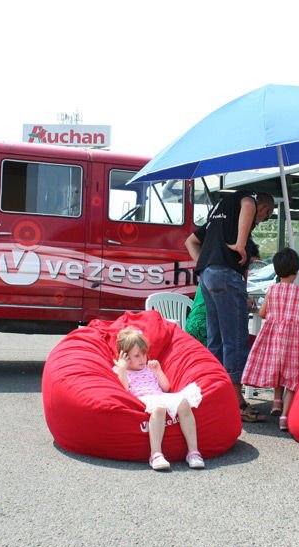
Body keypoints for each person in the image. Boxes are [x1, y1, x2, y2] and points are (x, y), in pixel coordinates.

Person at [185, 191, 275, 422]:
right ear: (263, 209)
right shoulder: (248, 199)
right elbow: (248, 203)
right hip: (225, 274)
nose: (258, 221)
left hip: (207, 275)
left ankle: (212, 394)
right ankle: (237, 402)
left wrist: (208, 263)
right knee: (234, 339)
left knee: (216, 340)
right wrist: (241, 244)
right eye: (262, 217)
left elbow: (191, 241)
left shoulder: (218, 212)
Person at [241, 248, 299, 431]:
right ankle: (285, 417)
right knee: (292, 375)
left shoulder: (272, 290)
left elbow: (263, 313)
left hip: (274, 337)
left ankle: (276, 403)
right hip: (295, 340)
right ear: (297, 270)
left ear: (277, 271)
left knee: (278, 368)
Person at [113, 327, 205, 471]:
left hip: (159, 395)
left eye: (144, 354)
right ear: (124, 356)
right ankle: (155, 454)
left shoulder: (149, 368)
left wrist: (158, 371)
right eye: (137, 356)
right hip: (143, 400)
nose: (142, 359)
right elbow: (123, 390)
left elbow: (166, 387)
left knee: (184, 403)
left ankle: (193, 452)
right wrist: (123, 369)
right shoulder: (122, 371)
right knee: (159, 408)